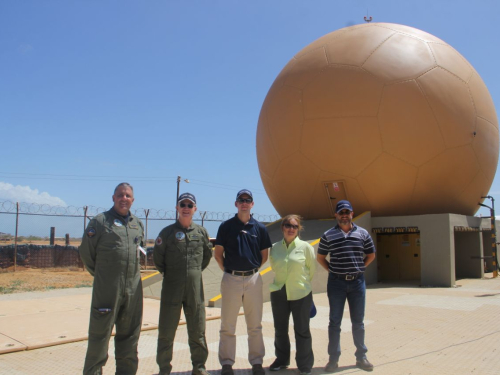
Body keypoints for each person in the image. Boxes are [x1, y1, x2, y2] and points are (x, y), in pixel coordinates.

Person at [79, 182, 145, 375]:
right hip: (108, 288)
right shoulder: (100, 222)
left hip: (133, 289)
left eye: (127, 195)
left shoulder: (137, 224)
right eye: (120, 195)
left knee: (130, 336)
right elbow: (86, 253)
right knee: (100, 336)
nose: (124, 198)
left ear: (133, 200)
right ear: (113, 198)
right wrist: (103, 276)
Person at [214, 189, 272, 375]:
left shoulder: (260, 228)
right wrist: (231, 272)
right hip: (231, 279)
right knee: (228, 324)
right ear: (236, 203)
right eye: (241, 200)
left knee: (255, 324)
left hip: (253, 279)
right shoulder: (226, 226)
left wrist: (251, 271)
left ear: (252, 204)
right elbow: (218, 254)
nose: (244, 203)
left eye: (248, 200)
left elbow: (264, 256)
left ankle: (256, 362)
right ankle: (227, 364)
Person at [153, 193, 213, 375]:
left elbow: (206, 257)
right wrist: (173, 274)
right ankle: (164, 368)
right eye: (183, 204)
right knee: (166, 329)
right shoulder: (167, 233)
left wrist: (192, 274)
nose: (186, 208)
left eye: (190, 205)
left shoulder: (201, 233)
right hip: (172, 287)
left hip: (194, 288)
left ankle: (199, 366)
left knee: (198, 328)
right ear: (177, 208)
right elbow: (158, 258)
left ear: (195, 209)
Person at [317, 200, 376, 372]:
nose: (344, 215)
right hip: (336, 283)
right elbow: (321, 257)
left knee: (358, 322)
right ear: (336, 215)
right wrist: (333, 271)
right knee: (334, 322)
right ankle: (333, 359)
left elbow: (371, 254)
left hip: (357, 283)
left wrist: (360, 268)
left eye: (347, 212)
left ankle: (361, 357)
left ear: (352, 214)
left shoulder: (363, 233)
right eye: (341, 212)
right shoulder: (328, 235)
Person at [269, 215, 316, 375]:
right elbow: (274, 267)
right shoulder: (275, 248)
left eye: (294, 226)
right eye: (288, 225)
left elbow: (311, 270)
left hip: (301, 293)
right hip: (279, 292)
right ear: (282, 227)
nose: (291, 229)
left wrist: (301, 285)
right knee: (280, 329)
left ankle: (305, 364)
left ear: (298, 229)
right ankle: (282, 360)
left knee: (302, 330)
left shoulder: (306, 247)